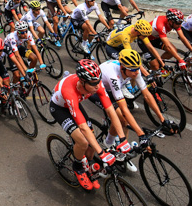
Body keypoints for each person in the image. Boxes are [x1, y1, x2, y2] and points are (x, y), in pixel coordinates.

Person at [49, 59, 131, 190]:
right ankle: (77, 166)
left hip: (74, 105)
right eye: (93, 83)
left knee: (91, 142)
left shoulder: (95, 83)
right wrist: (102, 153)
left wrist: (122, 139)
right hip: (60, 109)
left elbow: (111, 111)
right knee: (83, 141)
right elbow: (82, 127)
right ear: (82, 81)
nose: (97, 86)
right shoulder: (69, 90)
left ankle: (88, 167)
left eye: (99, 81)